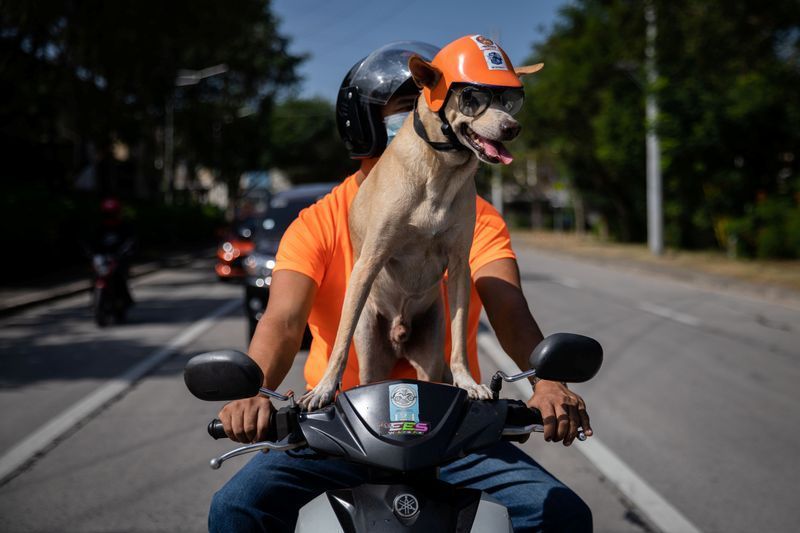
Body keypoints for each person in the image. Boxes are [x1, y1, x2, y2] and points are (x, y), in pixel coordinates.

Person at [210, 40, 593, 532]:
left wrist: (548, 381)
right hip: (337, 428)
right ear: (365, 123)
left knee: (562, 514)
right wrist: (254, 390)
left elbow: (509, 308)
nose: (421, 114)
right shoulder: (318, 221)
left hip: (453, 427)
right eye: (406, 106)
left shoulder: (471, 212)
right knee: (235, 509)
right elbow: (282, 323)